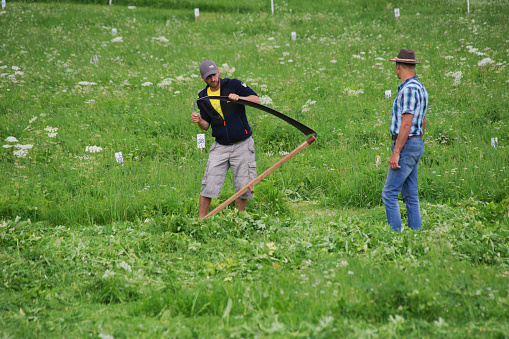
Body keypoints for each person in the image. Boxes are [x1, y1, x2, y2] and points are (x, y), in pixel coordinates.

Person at [191, 60, 261, 219]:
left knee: (243, 186)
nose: (213, 79)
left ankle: (238, 220)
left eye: (214, 75)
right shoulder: (203, 97)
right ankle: (200, 221)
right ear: (203, 78)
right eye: (209, 77)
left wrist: (240, 99)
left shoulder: (233, 85)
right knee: (208, 184)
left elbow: (257, 100)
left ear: (218, 72)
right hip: (220, 146)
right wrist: (199, 120)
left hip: (243, 144)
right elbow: (205, 126)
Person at [382, 49, 428, 232]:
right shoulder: (420, 88)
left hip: (406, 144)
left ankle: (394, 235)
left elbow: (406, 124)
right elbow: (423, 121)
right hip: (416, 143)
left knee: (389, 193)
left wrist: (396, 152)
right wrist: (417, 143)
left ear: (398, 67)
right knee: (410, 193)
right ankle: (415, 233)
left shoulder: (408, 90)